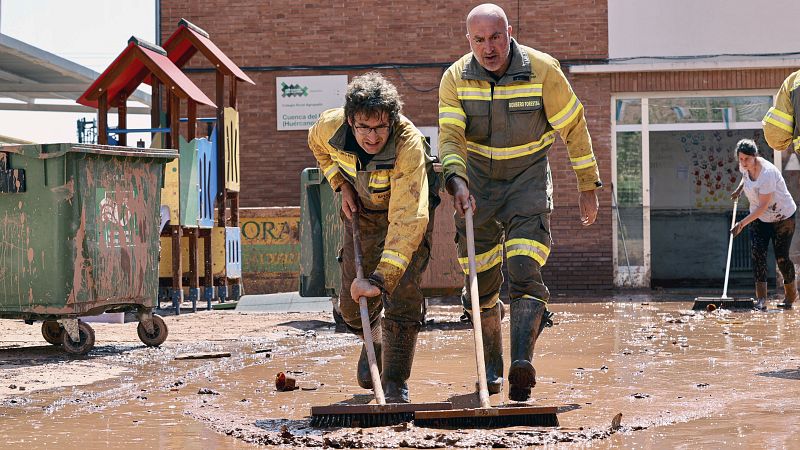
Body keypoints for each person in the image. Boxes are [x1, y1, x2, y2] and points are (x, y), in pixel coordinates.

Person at [438, 3, 602, 402]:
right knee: (482, 280)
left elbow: (574, 127)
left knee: (525, 266)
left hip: (527, 179)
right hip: (476, 184)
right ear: (468, 40)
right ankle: (491, 368)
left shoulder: (543, 70)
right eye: (479, 40)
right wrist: (456, 181)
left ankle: (520, 365)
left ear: (509, 32)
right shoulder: (455, 78)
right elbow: (450, 137)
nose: (488, 48)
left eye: (495, 37)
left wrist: (587, 186)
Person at [307, 72, 438, 403]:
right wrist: (341, 183)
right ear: (351, 120)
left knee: (403, 293)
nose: (372, 136)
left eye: (380, 127)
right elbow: (317, 146)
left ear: (392, 122)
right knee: (352, 307)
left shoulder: (408, 144)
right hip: (362, 213)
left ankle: (396, 383)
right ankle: (374, 340)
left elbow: (408, 219)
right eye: (364, 127)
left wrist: (381, 278)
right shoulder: (329, 127)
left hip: (405, 212)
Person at [730, 139, 797, 310]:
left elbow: (762, 207)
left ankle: (790, 295)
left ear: (755, 156)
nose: (743, 162)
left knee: (781, 258)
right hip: (760, 219)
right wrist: (739, 190)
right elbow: (745, 177)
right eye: (741, 159)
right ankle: (761, 300)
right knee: (757, 254)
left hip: (782, 217)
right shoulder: (744, 166)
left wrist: (742, 224)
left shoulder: (767, 174)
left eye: (747, 159)